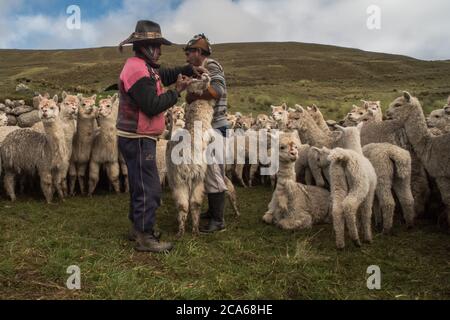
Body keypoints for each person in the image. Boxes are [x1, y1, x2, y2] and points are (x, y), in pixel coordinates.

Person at [117, 20, 199, 252]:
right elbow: (152, 105)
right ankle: (145, 236)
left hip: (138, 135)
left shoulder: (145, 67)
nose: (160, 50)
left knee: (138, 183)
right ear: (146, 47)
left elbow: (167, 72)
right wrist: (177, 92)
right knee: (149, 187)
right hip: (138, 137)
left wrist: (189, 70)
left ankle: (138, 228)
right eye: (156, 45)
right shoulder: (136, 70)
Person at [184, 34, 229, 233]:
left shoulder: (212, 66)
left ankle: (218, 220)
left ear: (199, 52)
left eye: (189, 52)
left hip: (214, 125)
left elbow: (216, 90)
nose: (186, 56)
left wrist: (194, 94)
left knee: (213, 170)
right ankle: (212, 212)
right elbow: (190, 97)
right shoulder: (200, 71)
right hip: (205, 125)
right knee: (209, 168)